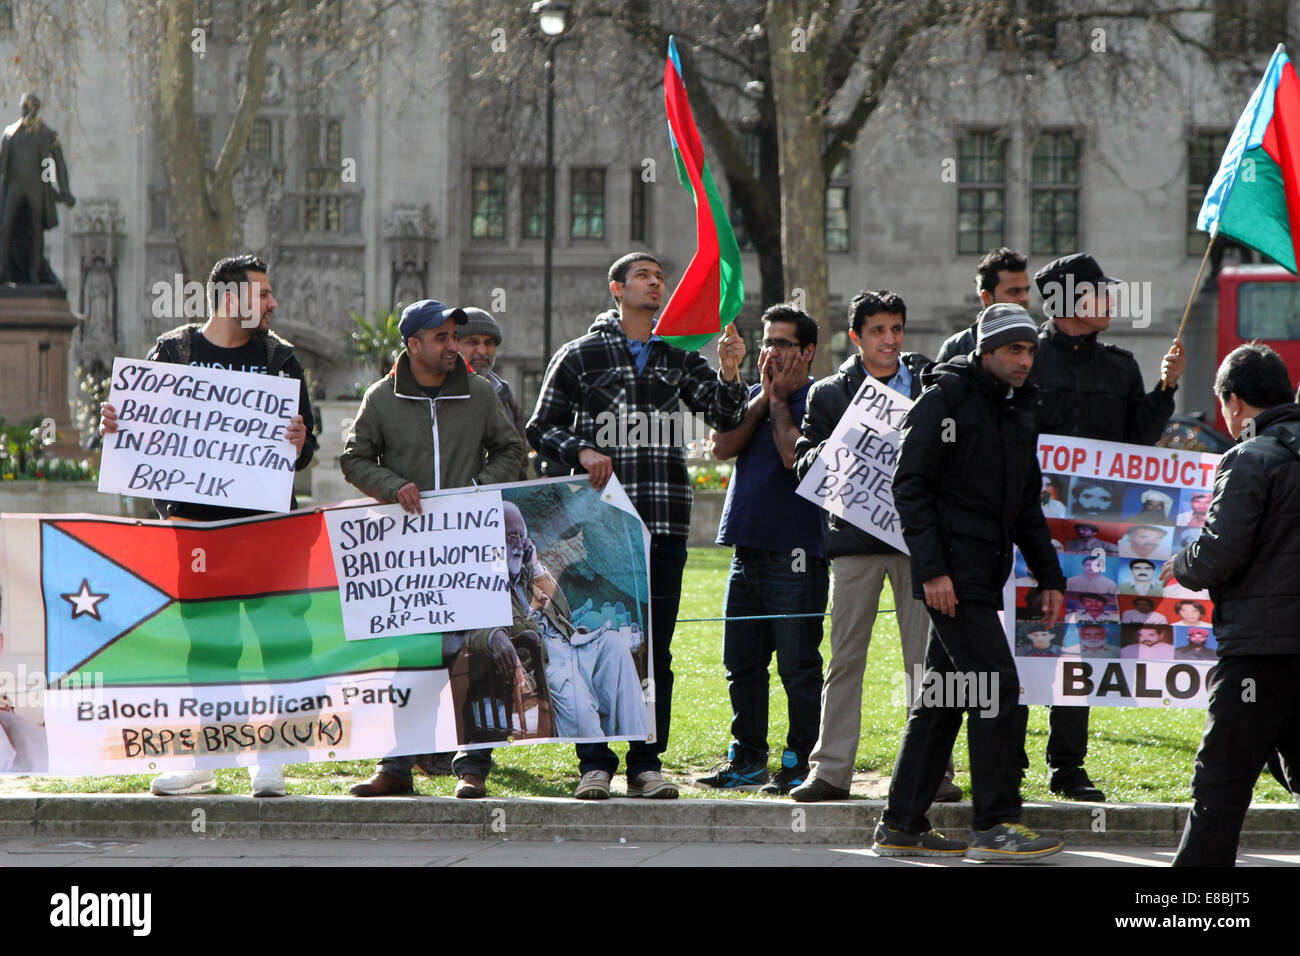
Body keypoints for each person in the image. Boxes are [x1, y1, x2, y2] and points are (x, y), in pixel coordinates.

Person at [527, 251, 748, 799]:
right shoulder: (580, 356)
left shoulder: (678, 355)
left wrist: (730, 370)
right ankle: (594, 763)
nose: (657, 284)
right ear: (616, 289)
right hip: (592, 530)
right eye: (645, 277)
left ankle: (647, 764)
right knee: (591, 640)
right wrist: (579, 447)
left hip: (664, 524)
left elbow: (726, 418)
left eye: (660, 278)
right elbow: (540, 427)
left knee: (656, 648)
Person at [99, 254, 315, 798]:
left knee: (278, 640)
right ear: (229, 297)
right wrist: (116, 426)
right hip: (197, 532)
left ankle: (273, 760)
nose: (272, 304)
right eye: (262, 294)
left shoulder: (281, 359)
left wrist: (299, 440)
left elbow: (307, 451)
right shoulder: (173, 352)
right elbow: (142, 438)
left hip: (267, 529)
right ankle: (204, 759)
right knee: (209, 645)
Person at [872, 303, 1065, 861]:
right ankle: (995, 824)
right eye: (1013, 349)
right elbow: (909, 487)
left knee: (943, 699)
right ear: (985, 351)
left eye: (1030, 349)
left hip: (983, 574)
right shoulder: (944, 400)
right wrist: (932, 571)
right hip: (951, 579)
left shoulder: (1019, 408)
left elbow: (1025, 503)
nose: (1025, 360)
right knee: (997, 689)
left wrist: (1048, 575)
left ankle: (902, 826)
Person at [339, 298, 525, 799]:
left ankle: (474, 768)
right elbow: (354, 459)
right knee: (414, 659)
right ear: (413, 344)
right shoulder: (380, 399)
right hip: (410, 557)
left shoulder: (481, 393)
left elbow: (513, 451)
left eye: (453, 336)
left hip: (473, 549)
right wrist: (392, 484)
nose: (452, 346)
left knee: (479, 655)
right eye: (440, 338)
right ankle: (397, 768)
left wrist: (479, 488)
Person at [790, 290, 959, 804]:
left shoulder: (933, 384)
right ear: (856, 337)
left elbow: (955, 450)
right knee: (845, 660)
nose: (890, 340)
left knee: (926, 664)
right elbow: (803, 462)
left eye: (897, 329)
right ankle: (831, 772)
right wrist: (846, 438)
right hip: (855, 543)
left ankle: (935, 773)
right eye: (879, 331)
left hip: (918, 545)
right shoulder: (829, 394)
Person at [1028, 252, 1185, 803]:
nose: (1110, 302)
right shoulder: (1026, 359)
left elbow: (1138, 444)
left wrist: (1165, 392)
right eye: (1098, 292)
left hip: (1094, 543)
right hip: (1024, 533)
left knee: (1082, 641)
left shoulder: (1120, 367)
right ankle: (1002, 758)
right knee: (1016, 638)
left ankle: (1068, 767)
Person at [1164, 345, 1300, 866]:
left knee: (1220, 783)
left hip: (1258, 652)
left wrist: (1184, 564)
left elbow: (1219, 553)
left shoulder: (1248, 458)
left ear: (1234, 401)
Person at [697, 305, 827, 794]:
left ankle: (798, 763)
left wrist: (778, 403)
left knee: (797, 668)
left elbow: (794, 456)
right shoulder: (753, 395)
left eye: (783, 344)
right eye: (767, 342)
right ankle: (747, 758)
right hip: (745, 552)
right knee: (742, 665)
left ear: (808, 351)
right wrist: (763, 397)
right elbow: (722, 447)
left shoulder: (822, 399)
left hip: (797, 557)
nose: (771, 351)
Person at [456, 501, 647, 739]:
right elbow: (474, 628)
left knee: (614, 645)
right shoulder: (481, 580)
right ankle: (596, 761)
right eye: (511, 536)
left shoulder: (527, 573)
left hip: (571, 644)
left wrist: (535, 566)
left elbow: (563, 612)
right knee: (575, 698)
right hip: (545, 661)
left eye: (522, 537)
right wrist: (494, 636)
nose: (518, 544)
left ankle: (640, 748)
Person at [0, 93, 75, 285]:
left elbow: (60, 162)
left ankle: (34, 275)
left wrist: (64, 189)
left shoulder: (49, 134)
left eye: (27, 106)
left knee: (36, 230)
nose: (23, 110)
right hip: (14, 188)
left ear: (35, 109)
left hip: (36, 189)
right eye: (22, 106)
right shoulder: (8, 133)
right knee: (5, 226)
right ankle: (3, 273)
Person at [456, 307, 530, 480]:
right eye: (472, 342)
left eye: (488, 343)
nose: (482, 351)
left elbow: (518, 460)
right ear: (454, 344)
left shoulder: (505, 396)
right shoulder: (440, 393)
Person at [935, 247, 1031, 362]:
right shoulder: (956, 348)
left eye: (1026, 290)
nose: (1025, 298)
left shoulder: (1042, 344)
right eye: (1014, 291)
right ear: (987, 297)